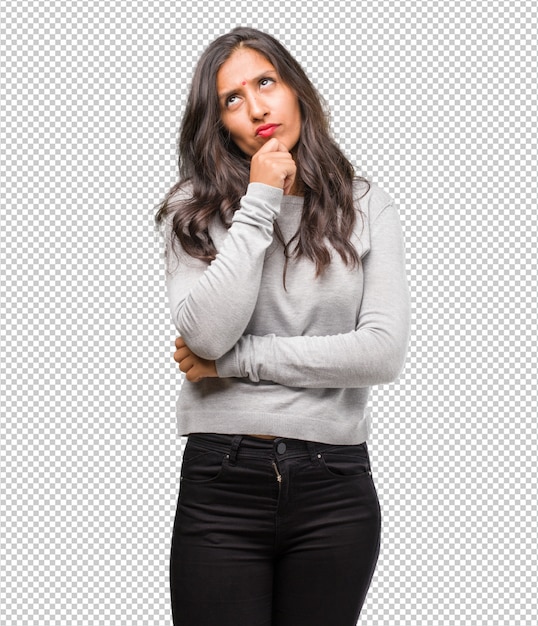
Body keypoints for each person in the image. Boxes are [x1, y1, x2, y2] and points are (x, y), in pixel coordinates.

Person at [156, 26, 410, 626]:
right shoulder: (190, 210)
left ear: (295, 88)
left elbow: (381, 352)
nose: (257, 108)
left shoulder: (363, 202)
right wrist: (261, 200)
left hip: (336, 484)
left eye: (265, 82)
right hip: (222, 480)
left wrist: (236, 364)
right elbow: (208, 334)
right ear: (218, 123)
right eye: (232, 99)